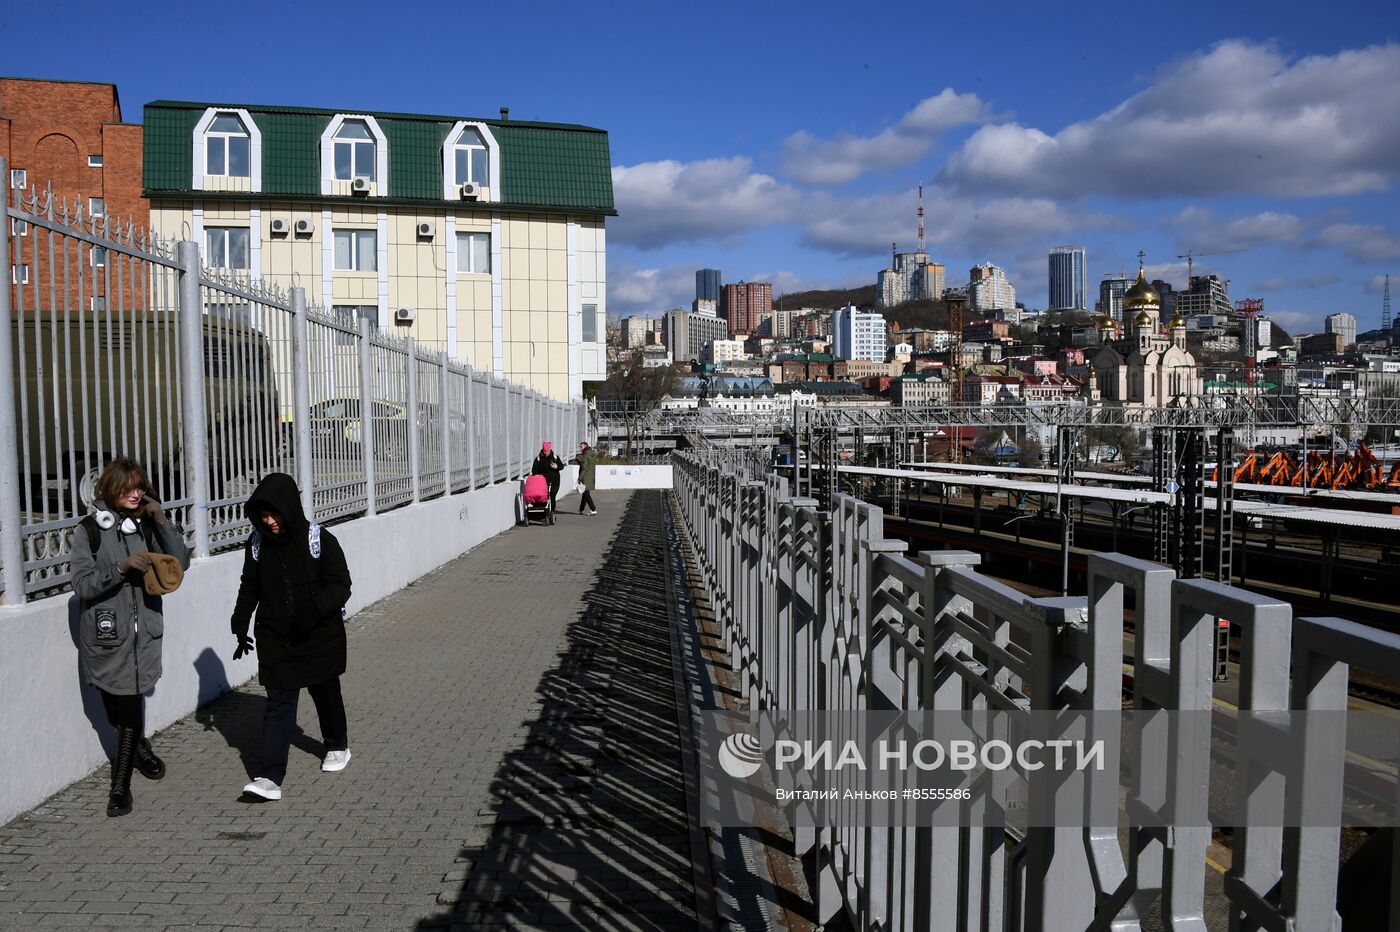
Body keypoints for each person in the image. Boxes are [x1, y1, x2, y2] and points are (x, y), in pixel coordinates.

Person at [70, 457, 190, 817]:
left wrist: (162, 520)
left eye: (140, 487)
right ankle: (139, 751)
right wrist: (121, 568)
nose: (135, 494)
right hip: (106, 636)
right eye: (127, 488)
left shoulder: (148, 525)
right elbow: (81, 584)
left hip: (145, 635)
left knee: (131, 707)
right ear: (110, 489)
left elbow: (179, 562)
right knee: (113, 711)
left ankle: (119, 787)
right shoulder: (90, 530)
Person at [229, 473, 353, 801]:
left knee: (325, 690)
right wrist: (240, 620)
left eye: (274, 514)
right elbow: (250, 585)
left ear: (289, 508)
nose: (269, 522)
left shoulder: (318, 539)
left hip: (318, 634)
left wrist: (314, 610)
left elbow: (341, 584)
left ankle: (337, 745)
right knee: (279, 702)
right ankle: (270, 776)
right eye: (263, 516)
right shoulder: (256, 544)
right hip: (276, 637)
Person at [531, 442, 565, 513]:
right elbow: (534, 470)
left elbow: (561, 466)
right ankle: (543, 511)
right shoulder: (538, 458)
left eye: (547, 451)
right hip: (542, 481)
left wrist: (556, 467)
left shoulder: (555, 457)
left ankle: (552, 511)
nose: (546, 453)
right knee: (543, 496)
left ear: (550, 450)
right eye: (544, 451)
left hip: (555, 480)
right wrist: (536, 475)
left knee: (552, 494)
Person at [570, 441, 598, 516]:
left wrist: (579, 479)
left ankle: (593, 509)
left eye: (581, 446)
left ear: (585, 446)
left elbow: (584, 468)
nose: (580, 448)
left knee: (586, 493)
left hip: (585, 477)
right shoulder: (591, 454)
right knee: (585, 493)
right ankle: (581, 509)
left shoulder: (585, 456)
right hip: (590, 476)